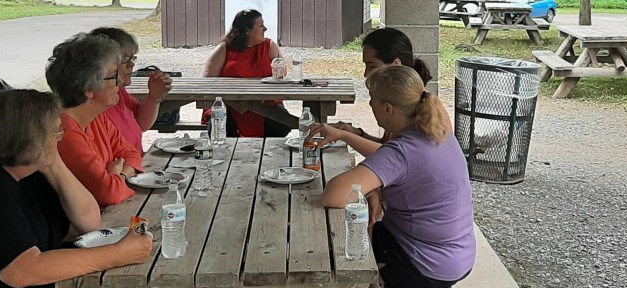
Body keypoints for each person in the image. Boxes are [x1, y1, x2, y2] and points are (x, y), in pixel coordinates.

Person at [0, 89, 153, 288]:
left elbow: (87, 224)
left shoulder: (27, 172)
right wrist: (117, 255)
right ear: (25, 138)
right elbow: (22, 271)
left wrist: (54, 164)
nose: (61, 137)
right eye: (55, 131)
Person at [312, 66, 475, 288]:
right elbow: (390, 160)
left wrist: (368, 189)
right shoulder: (437, 131)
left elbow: (333, 196)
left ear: (388, 109)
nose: (369, 105)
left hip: (423, 264)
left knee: (335, 242)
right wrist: (344, 135)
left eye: (371, 99)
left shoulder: (402, 152)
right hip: (457, 255)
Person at [46, 33, 144, 207]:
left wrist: (117, 176)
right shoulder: (64, 134)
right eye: (114, 75)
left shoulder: (96, 118)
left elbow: (132, 154)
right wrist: (119, 177)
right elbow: (109, 193)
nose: (120, 81)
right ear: (89, 88)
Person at [330, 27, 449, 143]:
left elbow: (395, 156)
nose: (366, 74)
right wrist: (357, 134)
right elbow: (387, 148)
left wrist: (345, 136)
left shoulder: (416, 105)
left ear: (396, 65)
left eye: (372, 67)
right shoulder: (398, 99)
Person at [202, 8, 292, 138]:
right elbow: (207, 83)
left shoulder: (269, 46)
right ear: (246, 30)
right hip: (229, 105)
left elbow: (281, 76)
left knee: (283, 125)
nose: (265, 29)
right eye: (260, 26)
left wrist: (262, 97)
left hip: (264, 103)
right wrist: (232, 102)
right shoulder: (224, 49)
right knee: (221, 128)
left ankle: (264, 155)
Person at [89, 27, 173, 153]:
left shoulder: (118, 92)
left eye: (132, 58)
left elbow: (141, 123)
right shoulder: (93, 105)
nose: (131, 64)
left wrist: (154, 97)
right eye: (124, 59)